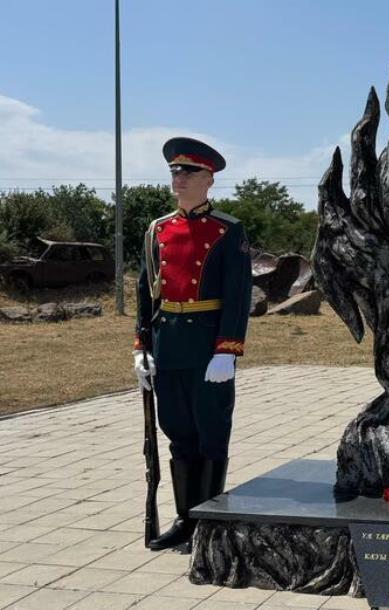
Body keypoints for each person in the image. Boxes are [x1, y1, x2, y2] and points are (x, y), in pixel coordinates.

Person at [133, 137, 252, 550]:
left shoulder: (227, 230)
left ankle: (210, 523)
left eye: (188, 172)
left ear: (208, 179)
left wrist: (227, 349)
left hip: (207, 347)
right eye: (174, 171)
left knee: (211, 432)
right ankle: (186, 520)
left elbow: (238, 295)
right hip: (168, 343)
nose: (178, 178)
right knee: (177, 431)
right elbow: (145, 291)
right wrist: (141, 347)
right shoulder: (157, 230)